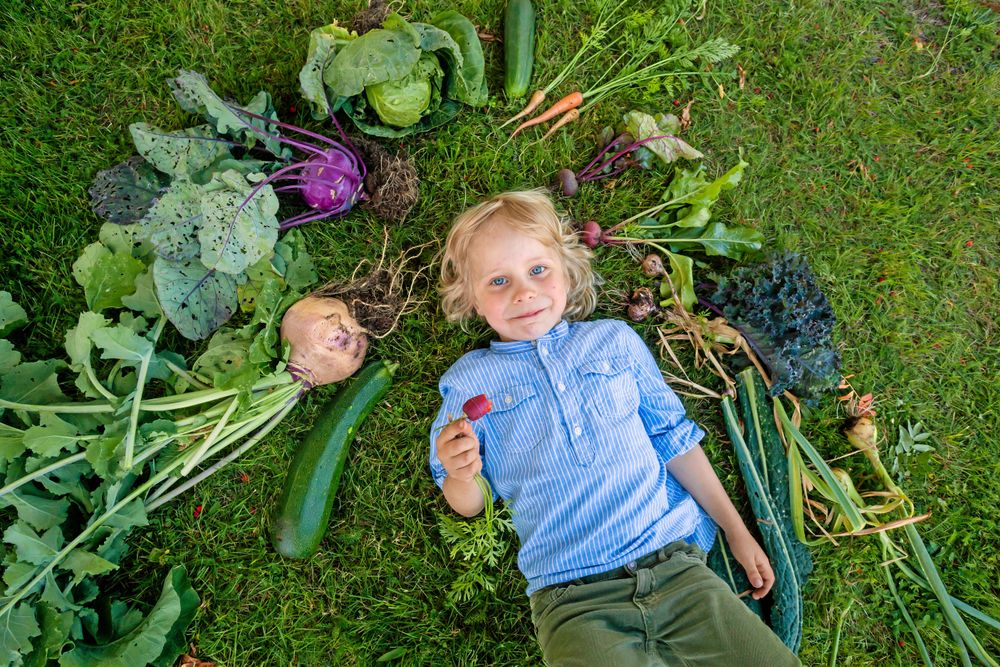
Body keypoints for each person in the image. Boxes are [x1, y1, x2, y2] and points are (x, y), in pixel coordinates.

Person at [429, 190, 800, 666]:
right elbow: (471, 503)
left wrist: (735, 529)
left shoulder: (614, 341)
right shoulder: (468, 381)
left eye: (538, 270)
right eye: (498, 280)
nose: (523, 292)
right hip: (573, 600)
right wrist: (459, 473)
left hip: (676, 566)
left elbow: (674, 438)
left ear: (566, 269)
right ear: (471, 297)